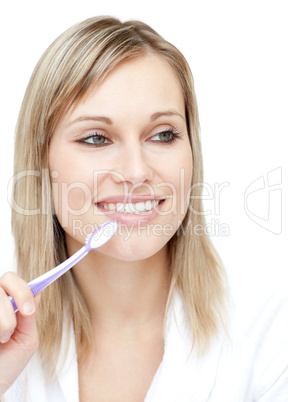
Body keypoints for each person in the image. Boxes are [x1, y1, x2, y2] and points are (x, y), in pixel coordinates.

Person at [0, 16, 287, 401]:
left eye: (163, 135)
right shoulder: (7, 342)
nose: (136, 172)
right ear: (41, 164)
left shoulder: (270, 330)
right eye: (97, 138)